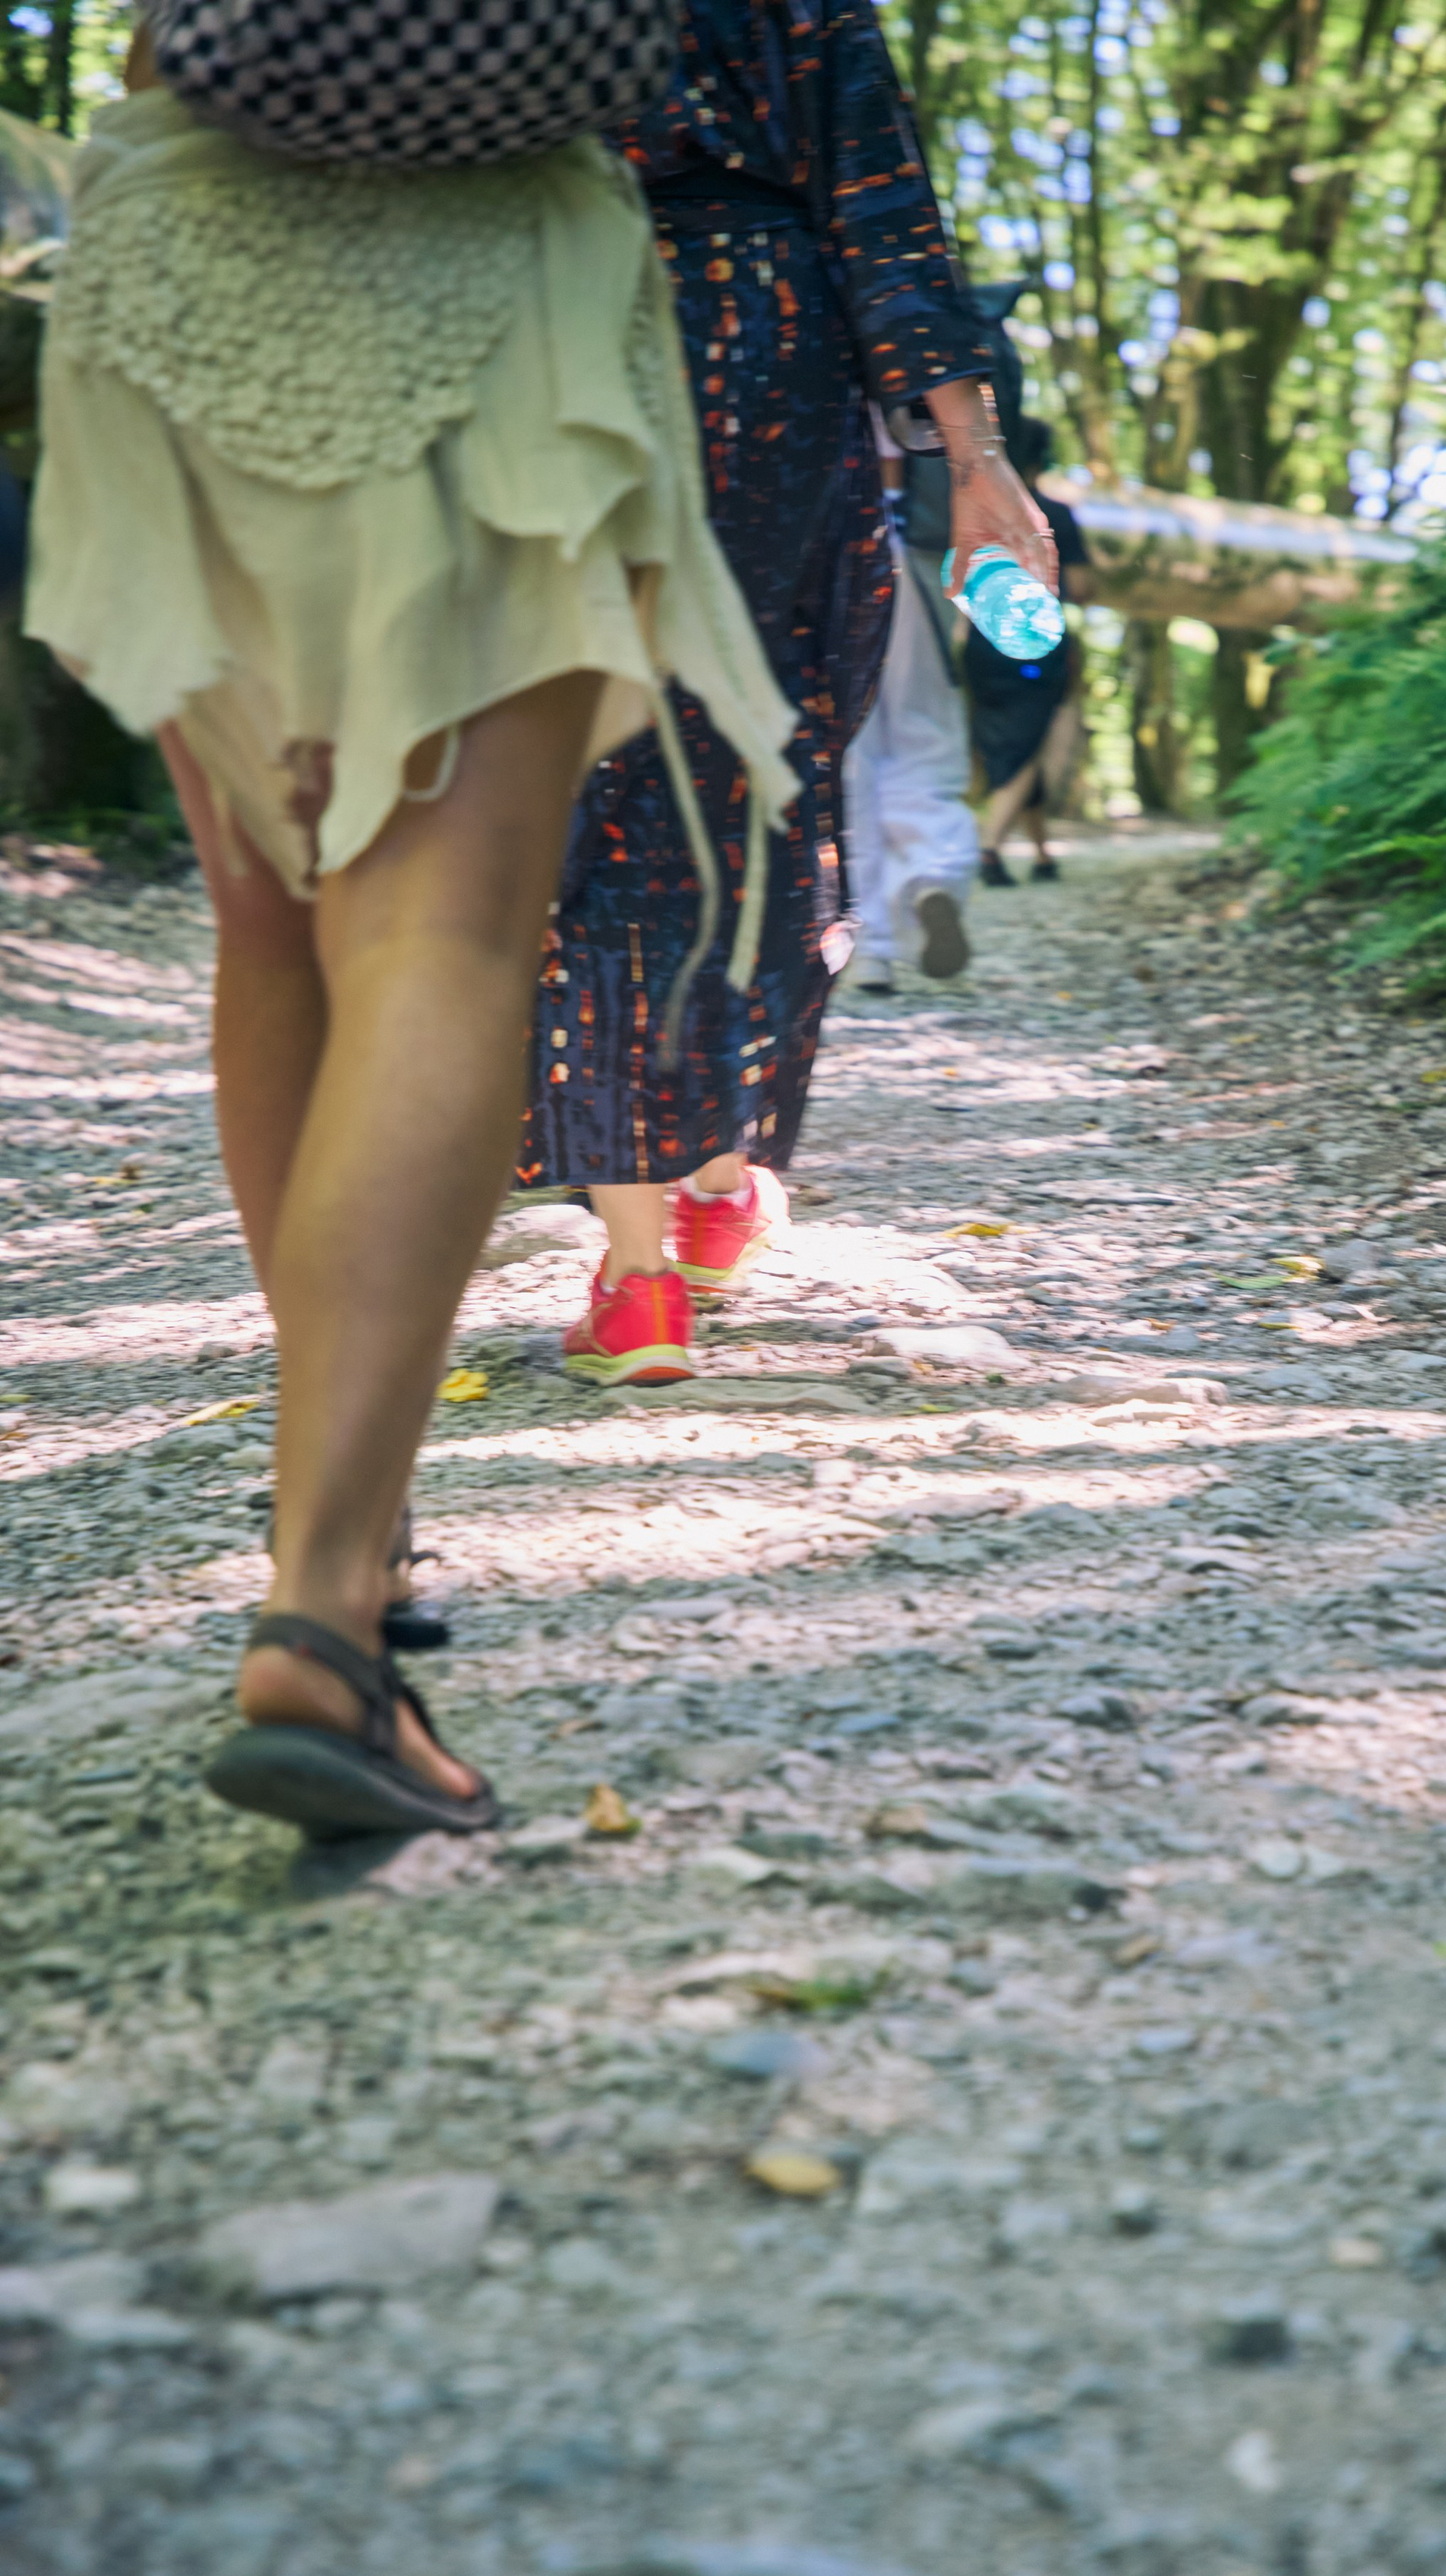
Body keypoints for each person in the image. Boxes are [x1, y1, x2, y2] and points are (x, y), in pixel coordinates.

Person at [25, 23, 795, 1839]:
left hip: (181, 237)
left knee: (277, 928)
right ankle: (322, 1607)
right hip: (488, 259)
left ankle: (345, 1560)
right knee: (435, 936)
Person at [517, 0, 1050, 1385]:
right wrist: (976, 457)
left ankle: (641, 1281)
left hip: (552, 346)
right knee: (764, 772)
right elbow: (884, 216)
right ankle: (714, 1175)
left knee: (590, 779)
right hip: (775, 357)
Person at [841, 422, 979, 998]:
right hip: (921, 542)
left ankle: (867, 946)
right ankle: (934, 873)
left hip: (837, 552)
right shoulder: (911, 332)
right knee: (926, 733)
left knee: (851, 756)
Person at [970, 417, 1092, 886]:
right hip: (1035, 644)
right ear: (1043, 457)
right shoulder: (1055, 515)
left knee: (1013, 743)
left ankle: (1043, 855)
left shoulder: (976, 512)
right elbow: (1081, 585)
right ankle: (989, 848)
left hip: (982, 646)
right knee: (1028, 747)